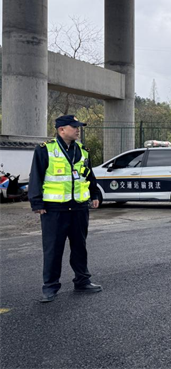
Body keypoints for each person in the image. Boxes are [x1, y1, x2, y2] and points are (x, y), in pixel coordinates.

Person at [28, 115, 102, 303]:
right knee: (53, 249)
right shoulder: (45, 150)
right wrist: (37, 203)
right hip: (54, 209)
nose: (78, 130)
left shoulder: (83, 151)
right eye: (74, 127)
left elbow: (88, 175)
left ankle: (82, 281)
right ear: (61, 130)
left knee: (79, 246)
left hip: (79, 208)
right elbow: (36, 176)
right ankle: (50, 287)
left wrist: (94, 194)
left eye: (79, 127)